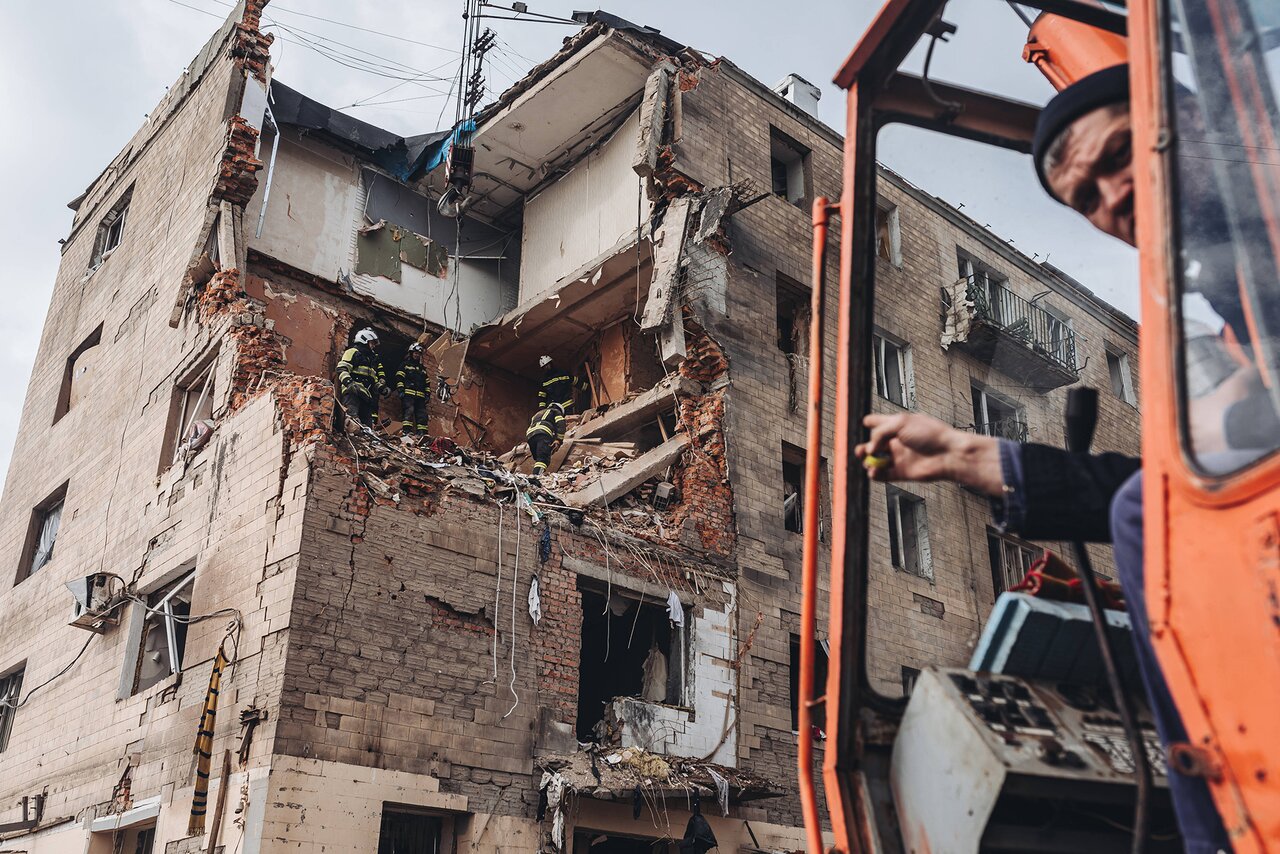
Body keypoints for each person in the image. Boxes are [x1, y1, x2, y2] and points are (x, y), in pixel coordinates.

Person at [858, 65, 1236, 853]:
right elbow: (1167, 493)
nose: (1113, 199)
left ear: (1193, 120)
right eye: (1087, 199)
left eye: (1122, 154)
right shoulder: (1230, 317)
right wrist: (968, 454)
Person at [336, 328, 388, 429]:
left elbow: (373, 381)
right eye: (372, 343)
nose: (373, 346)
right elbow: (342, 369)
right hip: (352, 393)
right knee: (351, 421)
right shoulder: (353, 352)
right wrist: (349, 383)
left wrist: (381, 388)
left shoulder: (371, 359)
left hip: (365, 396)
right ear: (364, 340)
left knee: (367, 427)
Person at [395, 342, 431, 436]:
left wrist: (427, 394)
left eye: (418, 354)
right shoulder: (405, 365)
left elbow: (427, 383)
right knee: (408, 412)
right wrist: (401, 390)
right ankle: (407, 431)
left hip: (420, 397)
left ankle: (422, 434)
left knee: (422, 415)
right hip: (408, 395)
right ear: (411, 353)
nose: (417, 355)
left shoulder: (422, 369)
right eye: (415, 353)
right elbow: (399, 377)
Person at [525, 402, 566, 476]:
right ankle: (536, 478)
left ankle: (536, 475)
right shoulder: (555, 411)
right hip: (543, 433)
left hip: (530, 435)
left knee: (538, 459)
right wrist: (558, 440)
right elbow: (561, 424)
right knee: (543, 459)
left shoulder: (537, 414)